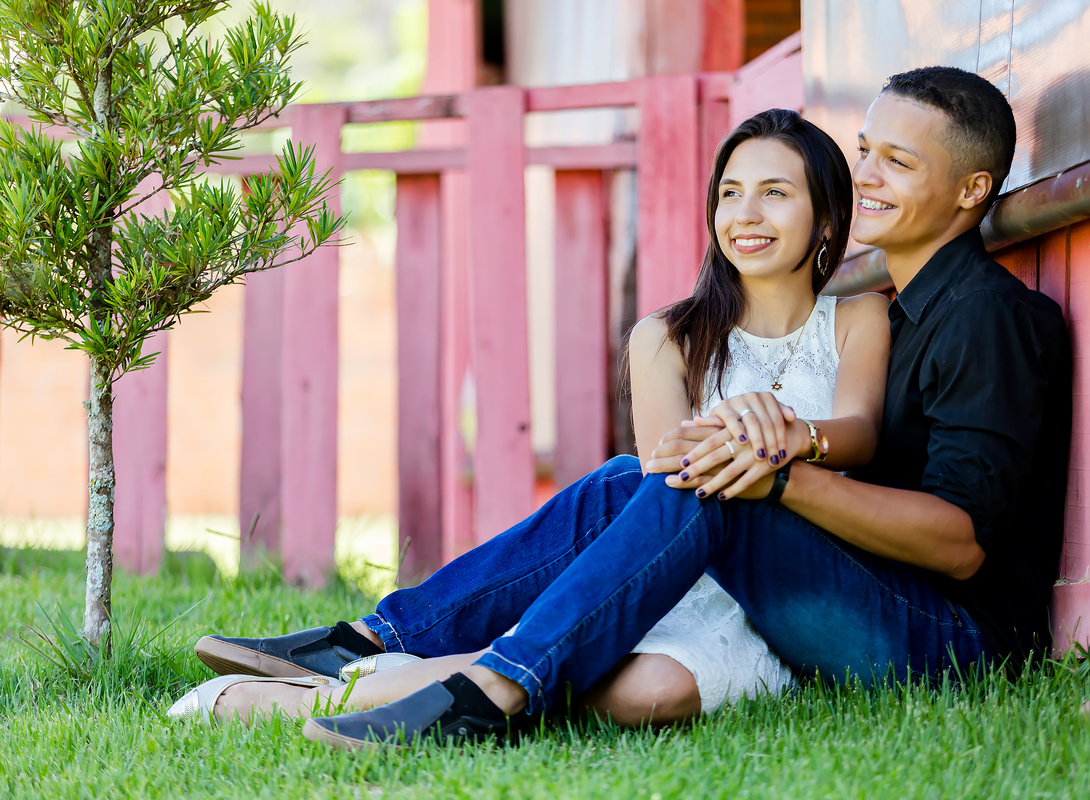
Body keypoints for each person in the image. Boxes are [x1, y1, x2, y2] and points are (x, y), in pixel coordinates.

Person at [169, 106, 892, 728]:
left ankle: (344, 681)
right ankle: (347, 675)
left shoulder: (860, 319)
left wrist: (797, 436)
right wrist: (730, 430)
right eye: (731, 193)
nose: (746, 215)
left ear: (827, 216)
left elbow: (861, 429)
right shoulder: (667, 338)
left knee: (651, 693)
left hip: (792, 579)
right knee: (626, 610)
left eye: (775, 193)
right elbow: (661, 482)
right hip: (667, 573)